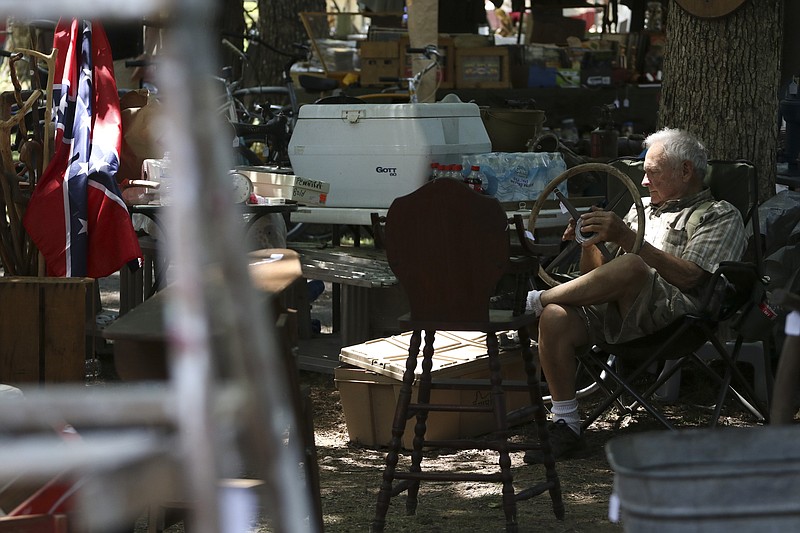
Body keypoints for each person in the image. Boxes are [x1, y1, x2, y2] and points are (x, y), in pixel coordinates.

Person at [523, 127, 747, 463]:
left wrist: (629, 240)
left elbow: (692, 277)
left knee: (631, 266)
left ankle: (538, 301)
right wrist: (590, 241)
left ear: (685, 171)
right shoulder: (641, 208)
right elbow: (594, 277)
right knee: (556, 318)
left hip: (673, 319)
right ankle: (566, 425)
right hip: (612, 310)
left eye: (652, 173)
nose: (644, 183)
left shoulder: (720, 214)